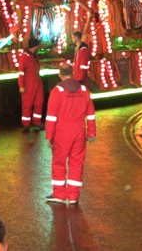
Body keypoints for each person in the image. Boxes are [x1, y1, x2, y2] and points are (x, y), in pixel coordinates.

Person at [45, 65, 96, 205]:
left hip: (62, 133)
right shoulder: (84, 90)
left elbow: (51, 117)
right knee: (77, 163)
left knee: (59, 163)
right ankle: (73, 195)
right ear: (73, 74)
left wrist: (49, 136)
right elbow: (90, 113)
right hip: (79, 131)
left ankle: (59, 194)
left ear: (60, 75)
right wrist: (91, 133)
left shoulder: (57, 91)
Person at [18, 38, 44, 132]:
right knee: (27, 103)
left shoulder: (34, 56)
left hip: (37, 81)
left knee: (39, 101)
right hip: (29, 82)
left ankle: (37, 121)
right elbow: (21, 72)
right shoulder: (25, 56)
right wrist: (21, 85)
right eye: (38, 45)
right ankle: (26, 124)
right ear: (35, 46)